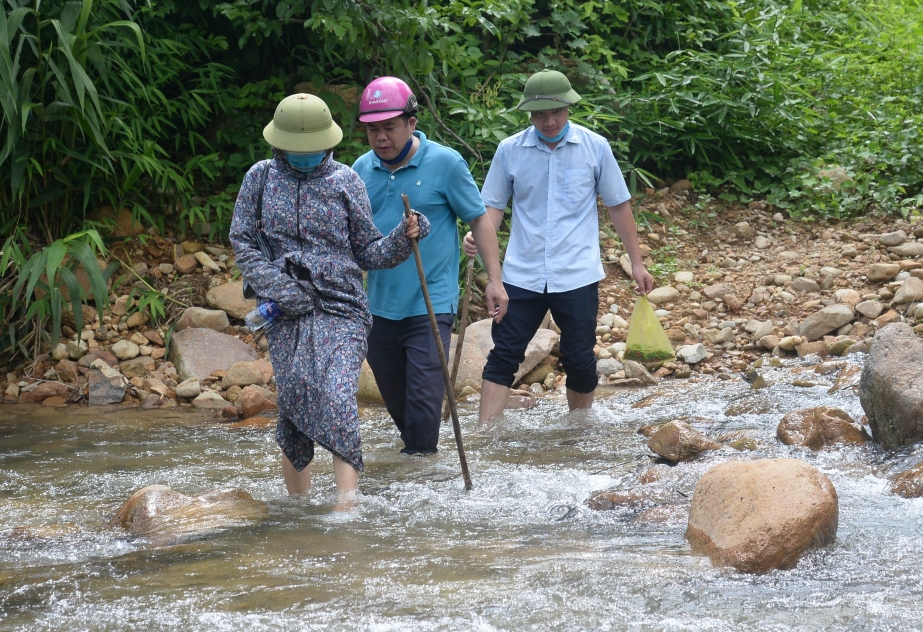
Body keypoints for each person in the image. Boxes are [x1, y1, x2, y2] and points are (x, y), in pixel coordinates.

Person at [230, 92, 428, 509]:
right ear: (278, 143)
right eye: (295, 149)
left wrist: (403, 238)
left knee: (337, 394)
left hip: (342, 308)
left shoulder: (344, 181)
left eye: (313, 149)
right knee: (295, 401)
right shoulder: (259, 178)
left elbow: (368, 252)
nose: (304, 156)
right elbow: (244, 243)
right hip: (285, 312)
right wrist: (281, 288)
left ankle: (346, 502)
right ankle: (297, 507)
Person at [463, 69, 654, 426]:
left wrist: (638, 263)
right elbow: (493, 207)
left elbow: (618, 205)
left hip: (576, 273)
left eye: (556, 112)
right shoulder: (510, 150)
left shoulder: (594, 147)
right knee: (504, 354)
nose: (549, 121)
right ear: (529, 114)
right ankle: (483, 436)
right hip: (522, 274)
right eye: (539, 114)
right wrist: (478, 235)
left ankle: (579, 433)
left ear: (569, 108)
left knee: (579, 357)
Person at [351, 77, 506, 455]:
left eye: (389, 127)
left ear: (412, 123)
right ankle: (419, 465)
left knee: (423, 400)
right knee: (397, 400)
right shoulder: (359, 169)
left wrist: (495, 281)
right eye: (373, 129)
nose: (381, 137)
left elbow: (479, 218)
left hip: (430, 300)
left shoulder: (445, 163)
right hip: (378, 305)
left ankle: (420, 471)